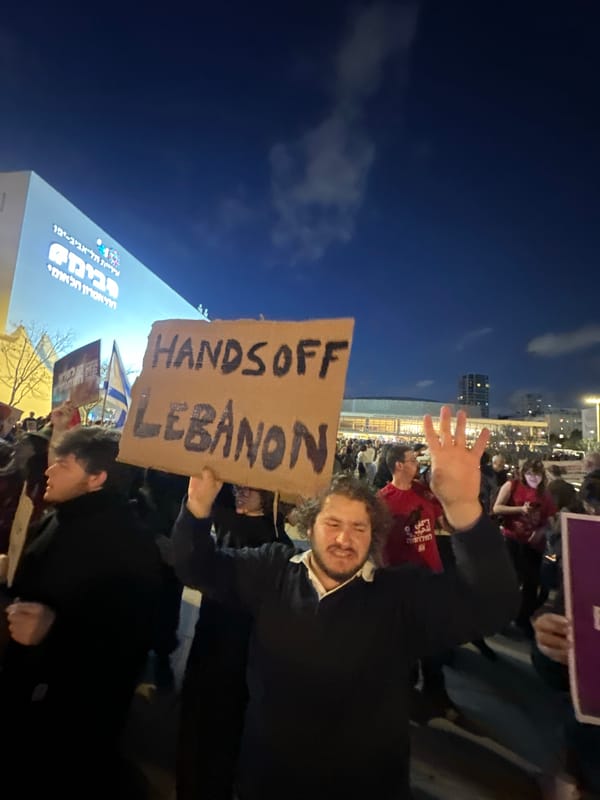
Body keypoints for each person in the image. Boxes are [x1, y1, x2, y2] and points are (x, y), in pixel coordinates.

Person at [172, 408, 519, 800]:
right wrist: (197, 509)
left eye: (359, 527)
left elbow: (493, 604)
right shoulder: (272, 571)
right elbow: (194, 566)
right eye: (333, 524)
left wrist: (463, 509)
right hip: (266, 781)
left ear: (374, 536)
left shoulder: (398, 596)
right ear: (309, 525)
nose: (344, 538)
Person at [0, 426, 162, 799]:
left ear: (96, 478)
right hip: (26, 698)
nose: (48, 472)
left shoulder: (130, 544)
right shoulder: (63, 516)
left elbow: (130, 638)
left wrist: (55, 631)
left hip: (67, 724)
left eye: (62, 466)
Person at [177, 482, 292, 800]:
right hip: (212, 641)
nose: (242, 491)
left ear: (269, 493)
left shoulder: (275, 543)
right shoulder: (227, 520)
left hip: (245, 655)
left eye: (252, 487)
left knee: (224, 734)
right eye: (238, 485)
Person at [493, 458, 557, 636]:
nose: (533, 478)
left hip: (534, 545)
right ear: (523, 474)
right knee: (511, 582)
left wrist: (542, 531)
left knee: (532, 584)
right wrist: (520, 510)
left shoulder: (545, 493)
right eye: (529, 474)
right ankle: (500, 618)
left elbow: (551, 519)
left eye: (536, 474)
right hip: (513, 539)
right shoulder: (511, 486)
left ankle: (523, 618)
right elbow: (497, 508)